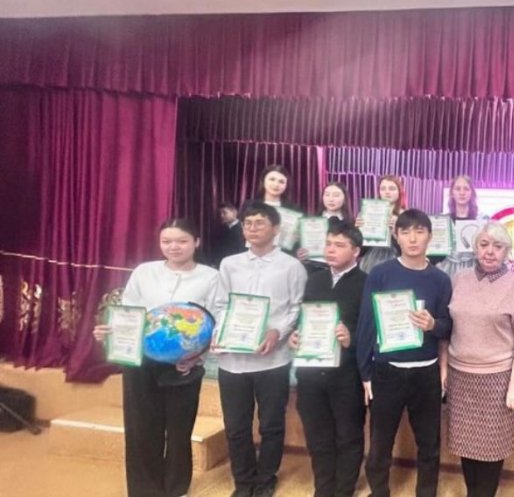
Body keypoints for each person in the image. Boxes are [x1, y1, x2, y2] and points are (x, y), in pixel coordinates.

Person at [92, 219, 219, 497]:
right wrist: (109, 334)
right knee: (140, 427)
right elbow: (128, 313)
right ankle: (144, 490)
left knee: (178, 430)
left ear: (196, 242)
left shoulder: (211, 277)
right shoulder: (144, 272)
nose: (174, 247)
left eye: (182, 241)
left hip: (184, 364)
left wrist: (196, 357)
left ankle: (176, 488)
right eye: (166, 241)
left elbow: (215, 323)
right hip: (141, 361)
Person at [213, 202, 308, 497]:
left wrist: (277, 331)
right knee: (236, 427)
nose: (252, 228)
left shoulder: (292, 266)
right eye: (247, 223)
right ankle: (243, 482)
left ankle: (266, 479)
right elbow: (220, 304)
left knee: (271, 425)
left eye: (260, 222)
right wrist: (219, 333)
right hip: (232, 361)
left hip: (273, 359)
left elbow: (297, 307)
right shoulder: (229, 264)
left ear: (276, 228)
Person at [356, 209, 453, 497]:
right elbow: (366, 324)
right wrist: (365, 373)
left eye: (419, 231)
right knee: (380, 444)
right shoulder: (380, 273)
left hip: (426, 372)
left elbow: (448, 326)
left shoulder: (440, 279)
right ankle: (379, 492)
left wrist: (433, 325)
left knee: (429, 445)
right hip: (387, 371)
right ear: (396, 236)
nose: (413, 238)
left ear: (430, 236)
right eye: (406, 232)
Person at [445, 222, 514, 497]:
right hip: (460, 377)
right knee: (466, 446)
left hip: (497, 380)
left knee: (491, 449)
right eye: (484, 245)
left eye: (498, 246)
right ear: (475, 248)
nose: (490, 251)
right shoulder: (459, 279)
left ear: (507, 251)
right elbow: (448, 328)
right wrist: (443, 370)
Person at [288, 219, 367, 497]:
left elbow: (373, 333)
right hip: (311, 373)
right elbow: (303, 319)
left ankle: (344, 490)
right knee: (317, 436)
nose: (331, 250)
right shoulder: (315, 279)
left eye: (340, 245)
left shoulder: (366, 283)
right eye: (328, 244)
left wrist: (351, 338)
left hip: (347, 375)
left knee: (348, 436)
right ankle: (323, 488)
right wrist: (295, 336)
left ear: (356, 251)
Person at [297, 182, 355, 270]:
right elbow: (299, 248)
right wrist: (300, 253)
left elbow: (359, 251)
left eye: (336, 195)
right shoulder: (310, 222)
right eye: (327, 195)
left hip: (340, 269)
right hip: (312, 268)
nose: (331, 199)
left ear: (345, 199)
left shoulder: (352, 223)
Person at [358, 175, 407, 274]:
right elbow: (360, 249)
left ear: (399, 191)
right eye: (383, 189)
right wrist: (358, 232)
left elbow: (409, 248)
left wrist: (396, 233)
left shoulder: (407, 216)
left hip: (397, 262)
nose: (387, 192)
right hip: (370, 260)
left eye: (392, 188)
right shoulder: (367, 212)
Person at [212, 202, 246, 267]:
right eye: (220, 213)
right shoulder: (219, 229)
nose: (221, 216)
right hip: (221, 264)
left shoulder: (244, 228)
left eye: (224, 213)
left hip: (239, 264)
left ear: (234, 213)